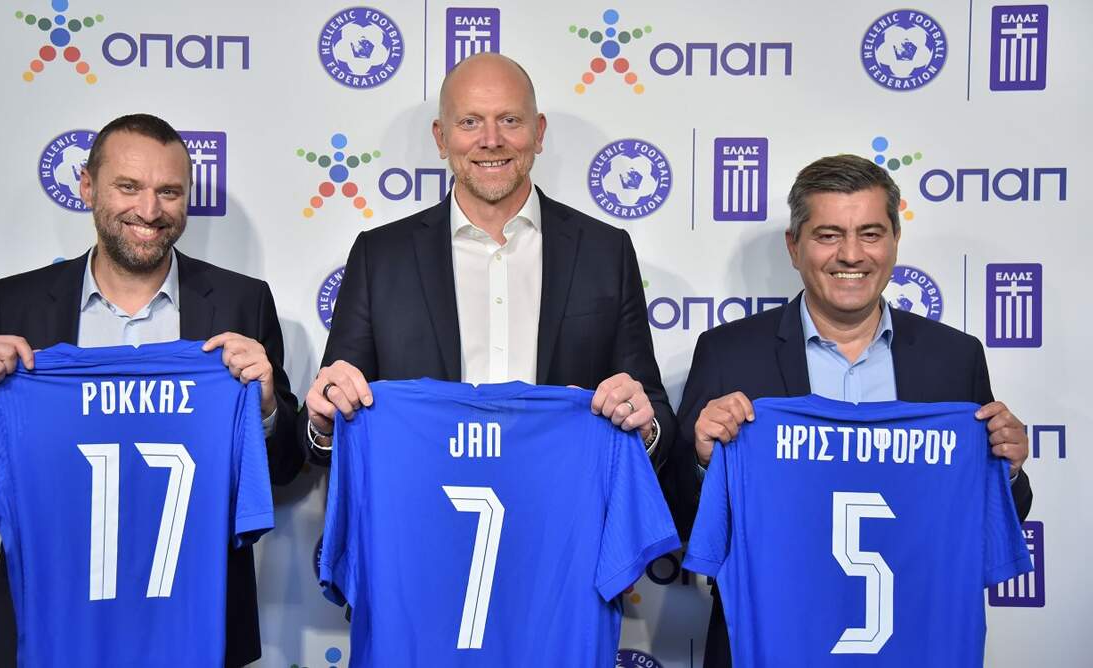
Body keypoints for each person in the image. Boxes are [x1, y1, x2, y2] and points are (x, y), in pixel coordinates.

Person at [0, 113, 303, 667]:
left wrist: (266, 406)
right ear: (87, 186)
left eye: (169, 192)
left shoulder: (241, 302)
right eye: (128, 187)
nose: (149, 210)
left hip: (193, 627)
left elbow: (283, 467)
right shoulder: (17, 302)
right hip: (53, 624)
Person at [663, 154, 1033, 667]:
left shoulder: (954, 358)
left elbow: (984, 521)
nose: (851, 254)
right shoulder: (730, 353)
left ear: (895, 241)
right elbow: (681, 516)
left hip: (913, 644)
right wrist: (705, 462)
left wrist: (1006, 470)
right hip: (772, 644)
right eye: (828, 235)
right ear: (794, 246)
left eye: (871, 234)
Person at [299, 52, 674, 463]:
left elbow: (652, 412)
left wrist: (645, 426)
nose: (491, 139)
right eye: (470, 122)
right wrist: (323, 422)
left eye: (510, 120)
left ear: (539, 132)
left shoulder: (605, 252)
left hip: (561, 494)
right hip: (423, 496)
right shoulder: (380, 257)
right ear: (441, 138)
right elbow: (328, 415)